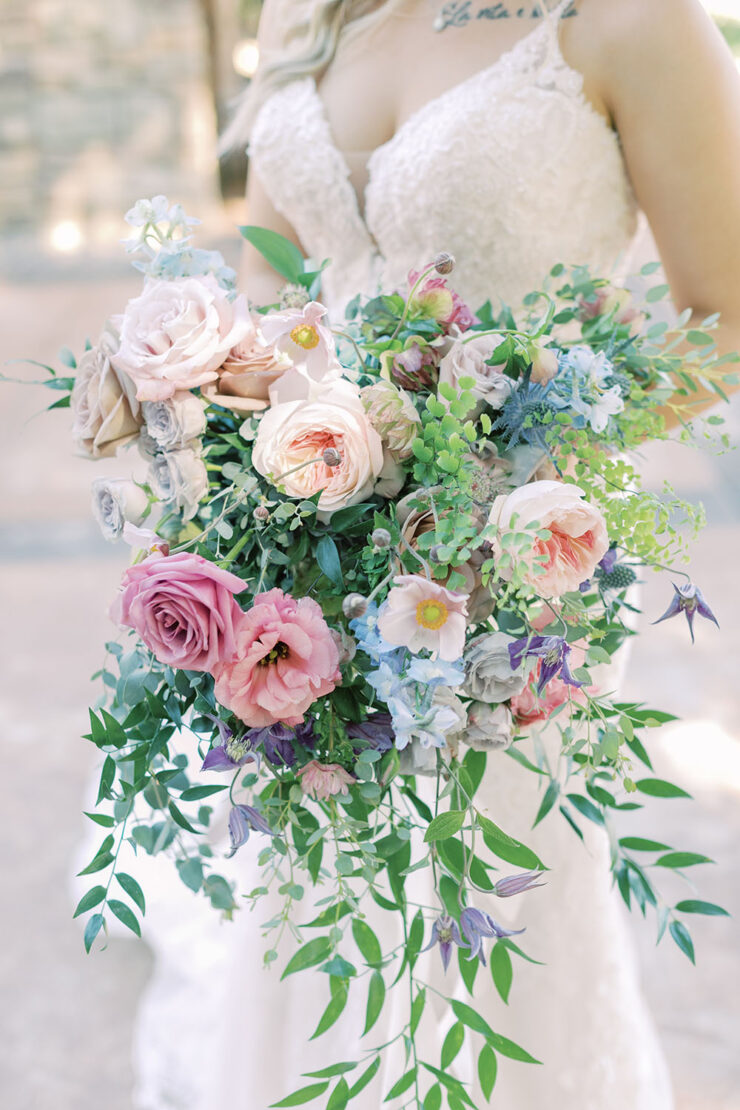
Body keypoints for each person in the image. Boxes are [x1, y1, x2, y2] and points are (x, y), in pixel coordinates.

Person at [131, 2, 740, 1108]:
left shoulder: (632, 21)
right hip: (310, 544)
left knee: (501, 885)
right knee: (312, 888)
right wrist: (229, 473)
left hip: (512, 571)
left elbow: (726, 316)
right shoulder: (311, 12)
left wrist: (494, 465)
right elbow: (274, 289)